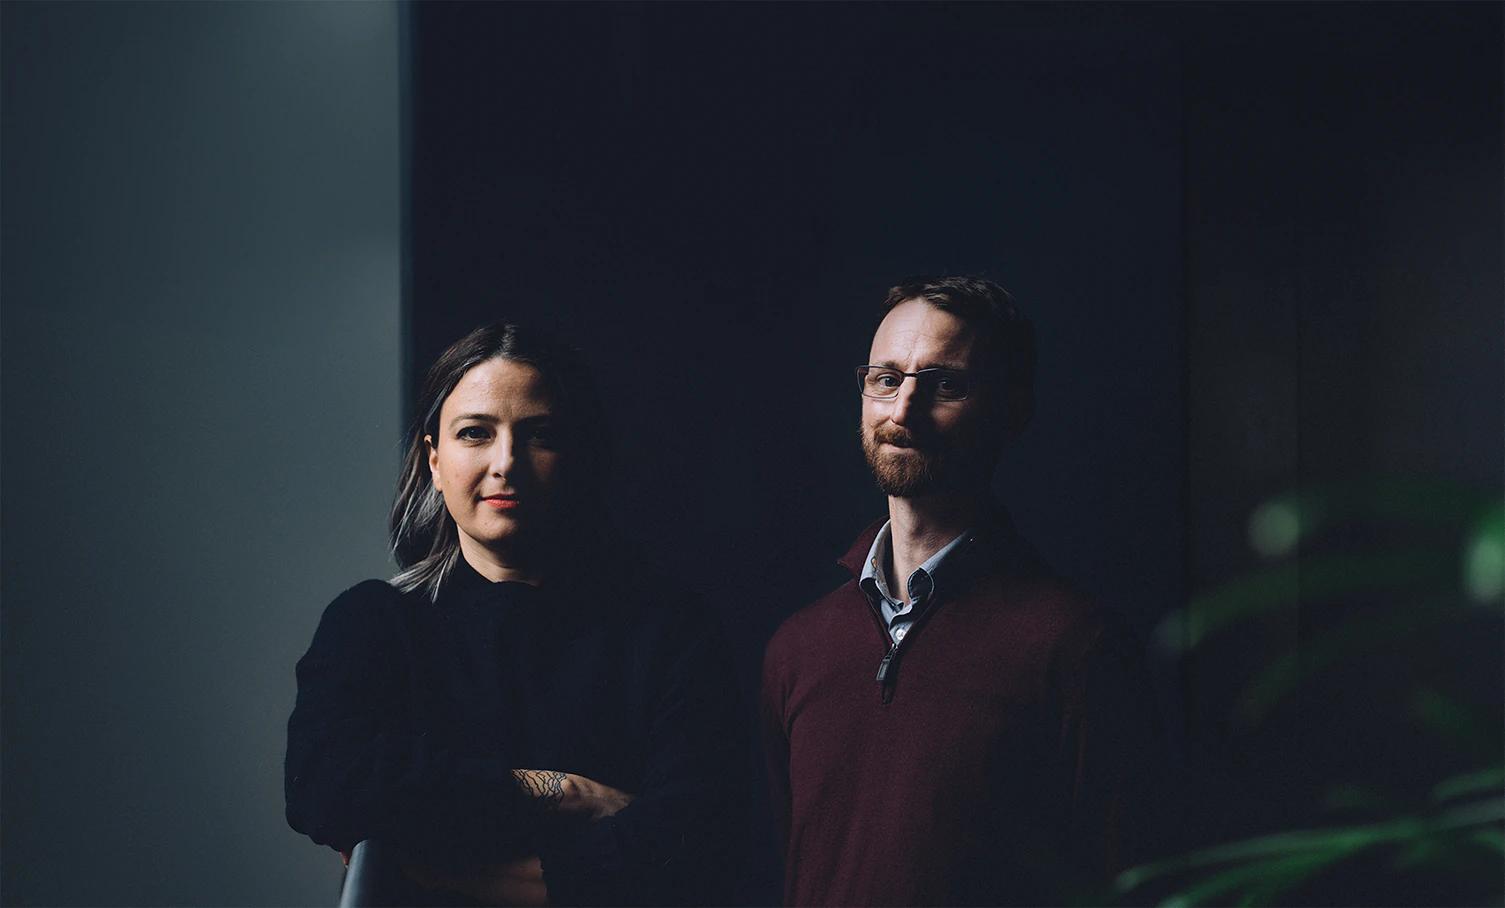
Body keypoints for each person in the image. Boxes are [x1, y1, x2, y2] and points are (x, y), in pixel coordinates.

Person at [286, 322, 744, 906]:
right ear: (433, 460)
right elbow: (325, 788)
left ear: (575, 455)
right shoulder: (371, 625)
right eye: (475, 433)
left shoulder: (670, 633)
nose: (506, 462)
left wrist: (449, 869)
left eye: (539, 435)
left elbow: (697, 843)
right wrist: (564, 793)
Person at [760, 276, 1160, 906]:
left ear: (1012, 413)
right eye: (886, 379)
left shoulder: (1077, 646)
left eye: (945, 385)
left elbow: (1123, 880)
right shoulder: (798, 647)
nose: (902, 411)